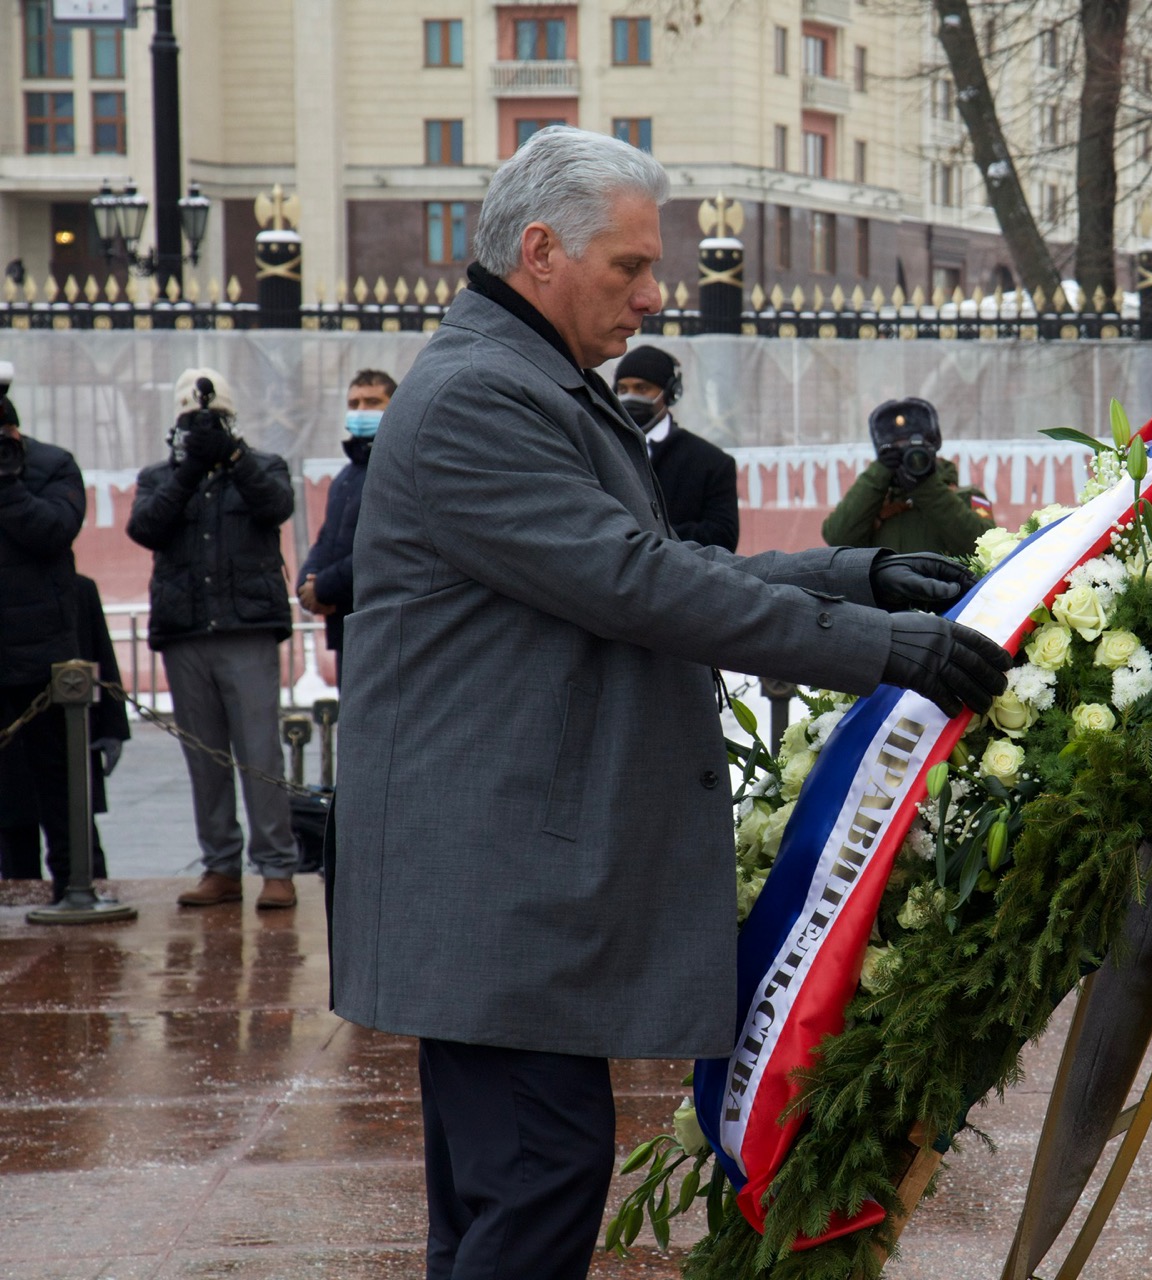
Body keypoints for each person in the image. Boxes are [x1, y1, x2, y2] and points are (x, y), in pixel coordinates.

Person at [328, 126, 1009, 1280]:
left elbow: (646, 562)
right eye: (629, 267)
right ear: (540, 250)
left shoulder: (527, 380)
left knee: (506, 1199)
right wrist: (883, 645)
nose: (653, 296)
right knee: (535, 1191)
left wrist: (857, 573)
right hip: (503, 888)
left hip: (506, 890)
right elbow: (638, 583)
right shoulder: (482, 397)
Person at [127, 368, 301, 911]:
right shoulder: (160, 476)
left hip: (246, 628)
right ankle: (220, 866)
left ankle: (276, 867)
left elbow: (276, 506)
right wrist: (190, 470)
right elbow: (146, 528)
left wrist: (233, 457)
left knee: (260, 753)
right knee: (204, 759)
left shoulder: (263, 466)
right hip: (185, 631)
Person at [0, 362, 91, 895]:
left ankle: (73, 885)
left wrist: (9, 488)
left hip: (43, 657)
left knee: (59, 785)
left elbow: (54, 532)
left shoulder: (54, 466)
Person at [0, 575, 129, 897]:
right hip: (11, 733)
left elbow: (100, 653)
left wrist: (113, 728)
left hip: (71, 729)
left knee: (80, 834)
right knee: (17, 846)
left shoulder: (78, 588)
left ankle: (86, 893)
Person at [298, 368, 394, 684]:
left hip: (383, 626)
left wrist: (324, 586)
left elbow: (383, 547)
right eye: (354, 404)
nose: (361, 411)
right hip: (345, 625)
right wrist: (307, 583)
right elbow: (327, 538)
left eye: (372, 402)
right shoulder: (345, 478)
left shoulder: (399, 467)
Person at [821, 397, 995, 557]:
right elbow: (836, 537)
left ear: (932, 449)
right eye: (897, 449)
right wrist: (879, 472)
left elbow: (985, 549)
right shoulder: (872, 505)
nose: (907, 456)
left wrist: (928, 487)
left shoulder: (970, 497)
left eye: (914, 448)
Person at [612, 344, 739, 550]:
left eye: (642, 388)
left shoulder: (712, 462)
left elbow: (722, 537)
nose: (630, 396)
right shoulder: (602, 446)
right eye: (623, 389)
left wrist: (646, 534)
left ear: (670, 393)